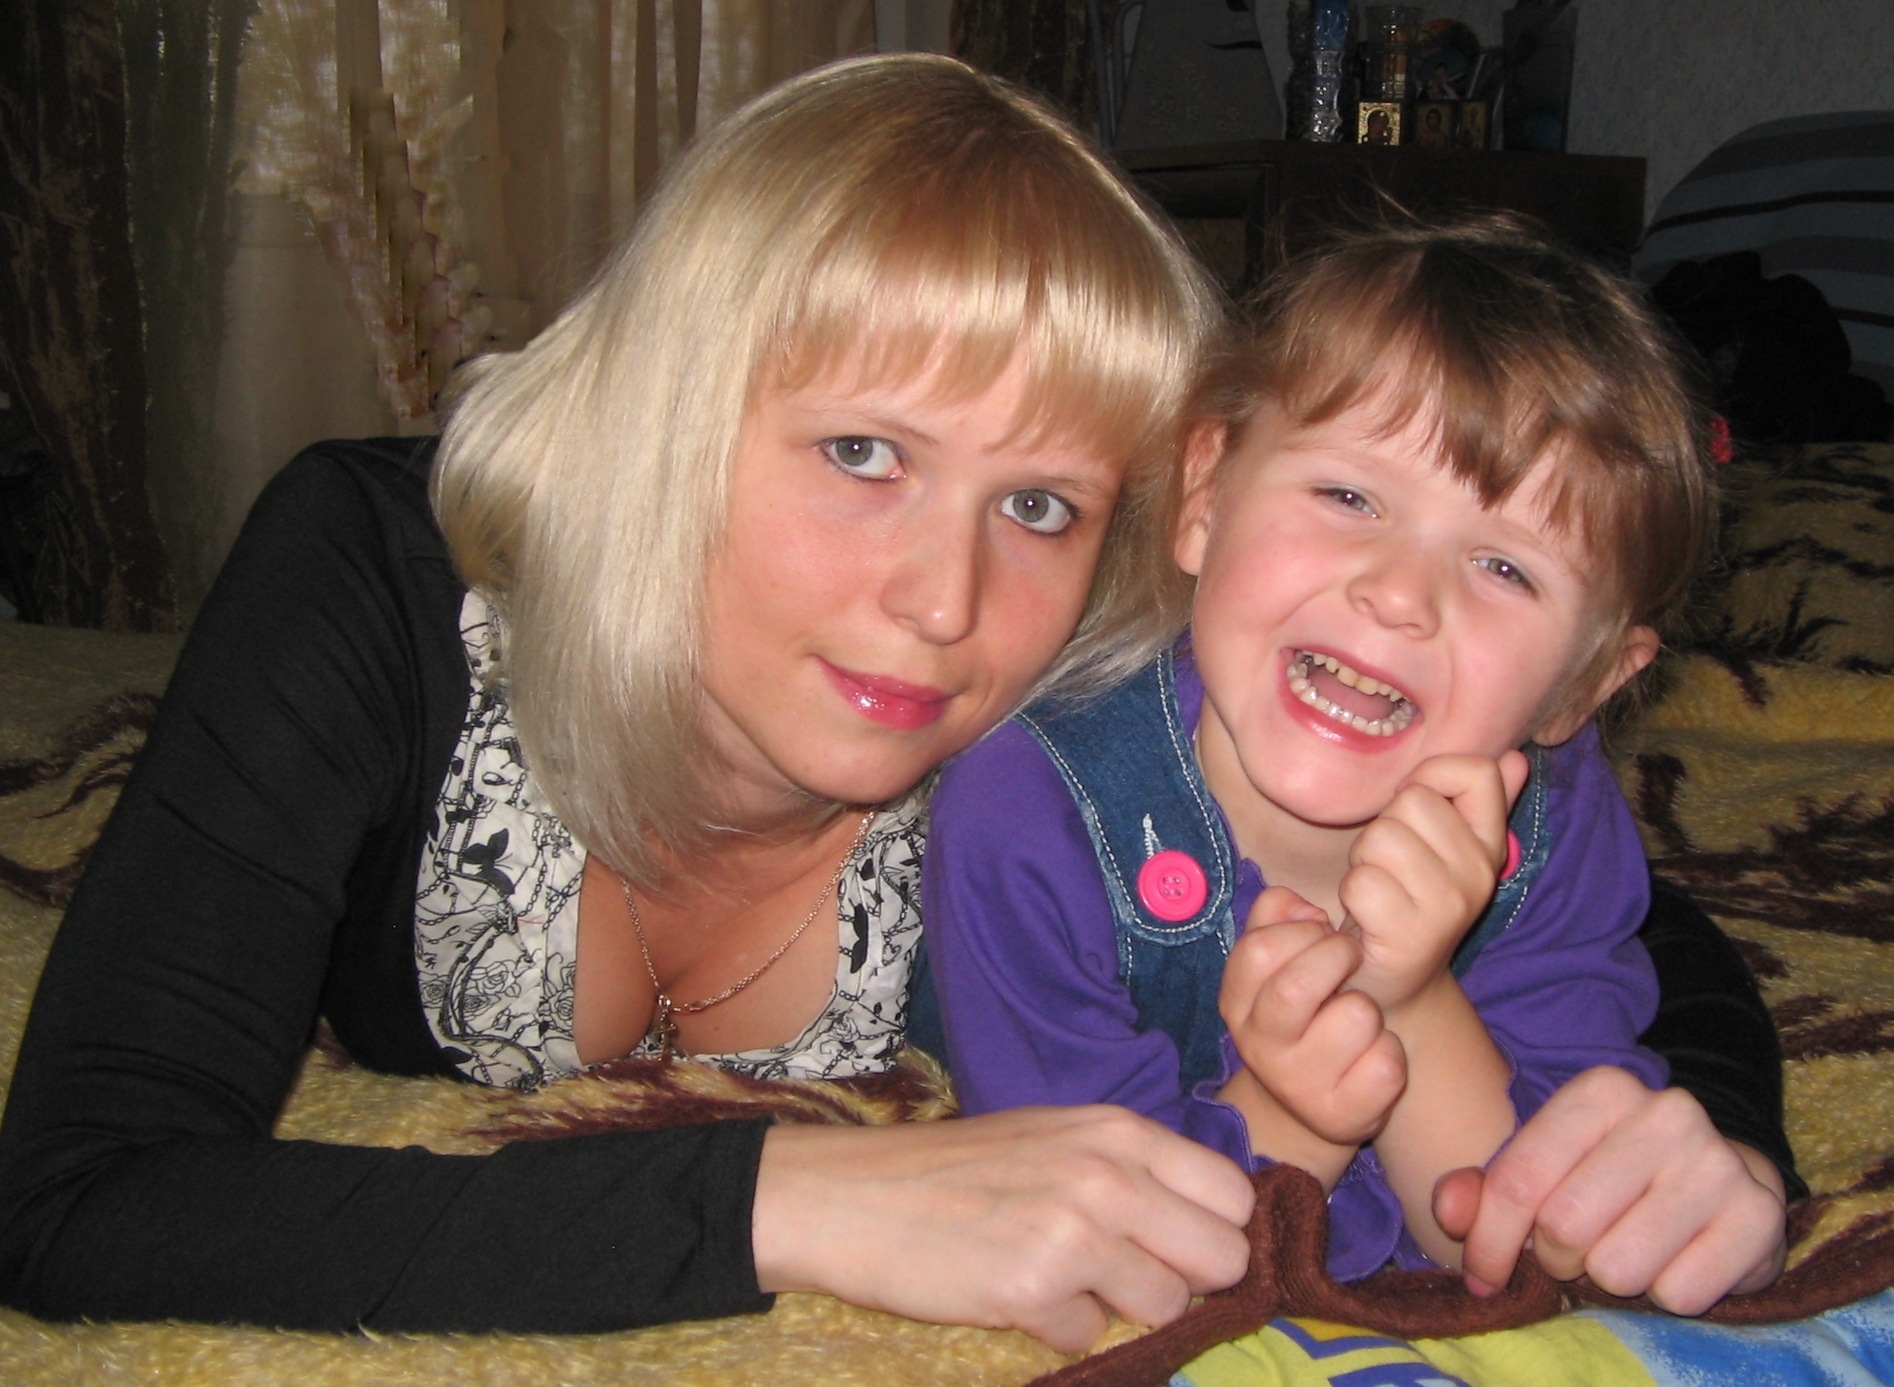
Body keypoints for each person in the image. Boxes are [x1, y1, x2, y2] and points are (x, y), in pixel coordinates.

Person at [0, 55, 1785, 1351]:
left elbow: (1583, 893)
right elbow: (79, 1191)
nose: (943, 603)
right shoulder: (370, 583)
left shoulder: (1101, 676)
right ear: (672, 410)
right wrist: (781, 1199)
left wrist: (1696, 1150)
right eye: (860, 451)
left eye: (1039, 501)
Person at [922, 212, 1793, 1314]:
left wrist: (1411, 995)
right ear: (1205, 498)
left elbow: (1522, 1234)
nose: (1397, 593)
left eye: (1505, 567)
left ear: (1584, 686)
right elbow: (1090, 1242)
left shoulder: (1558, 826)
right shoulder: (1025, 809)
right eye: (1348, 496)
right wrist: (1301, 1115)